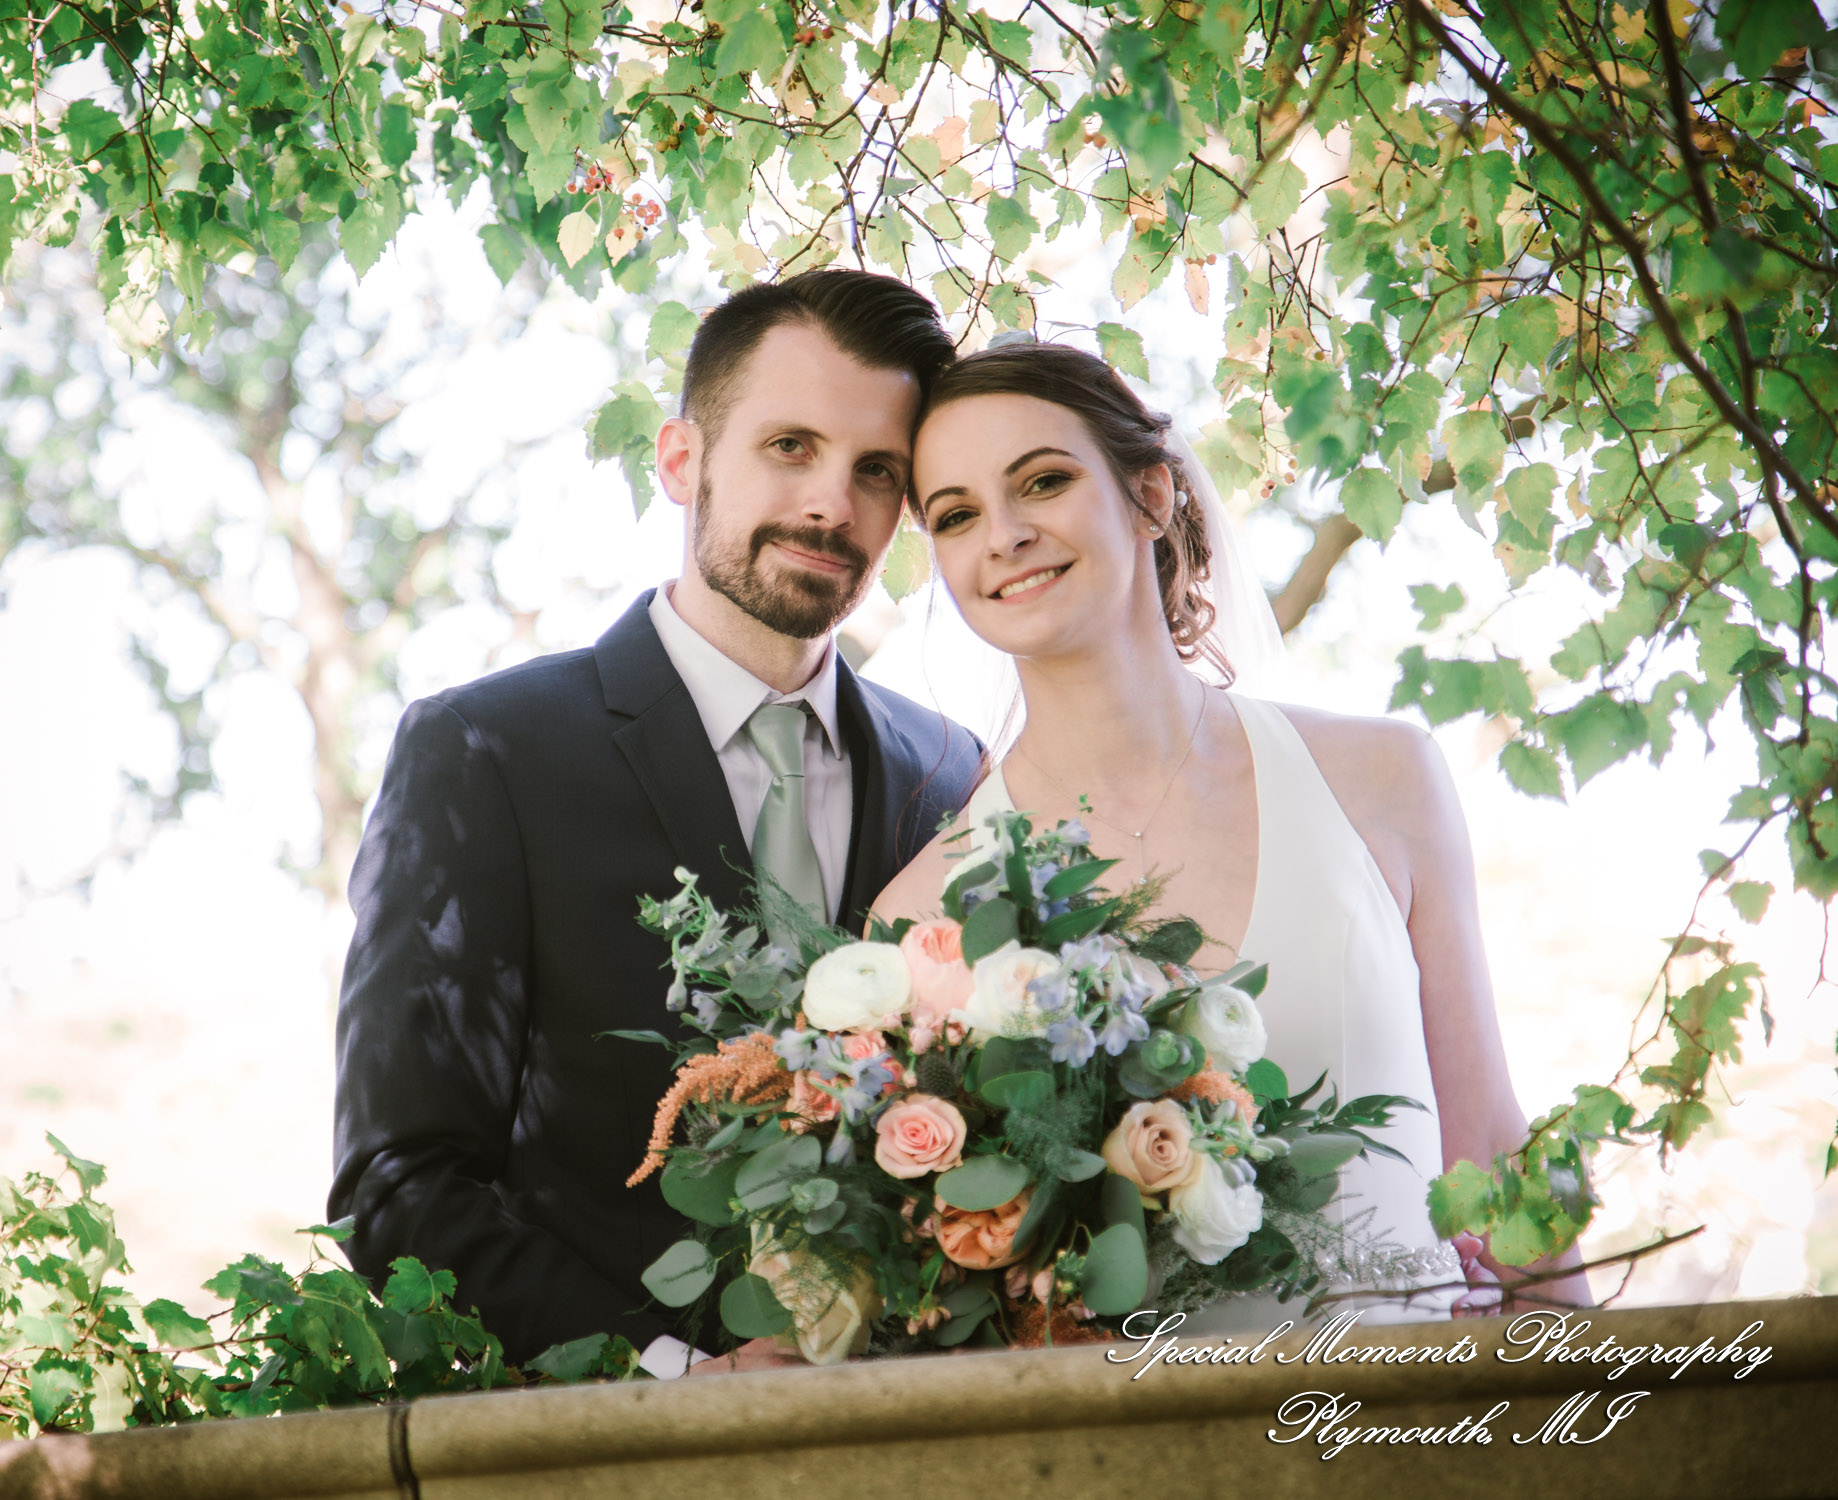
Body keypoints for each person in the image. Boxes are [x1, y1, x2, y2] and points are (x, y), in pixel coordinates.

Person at [328, 269, 984, 1378]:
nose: (831, 504)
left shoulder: (951, 775)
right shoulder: (486, 753)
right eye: (789, 447)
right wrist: (667, 1376)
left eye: (875, 470)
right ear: (682, 461)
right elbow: (398, 1185)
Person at [872, 341, 1591, 1324]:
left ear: (1153, 494)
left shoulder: (1379, 779)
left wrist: (1597, 1398)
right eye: (954, 515)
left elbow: (1490, 1143)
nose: (1001, 535)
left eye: (1041, 480)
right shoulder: (923, 914)